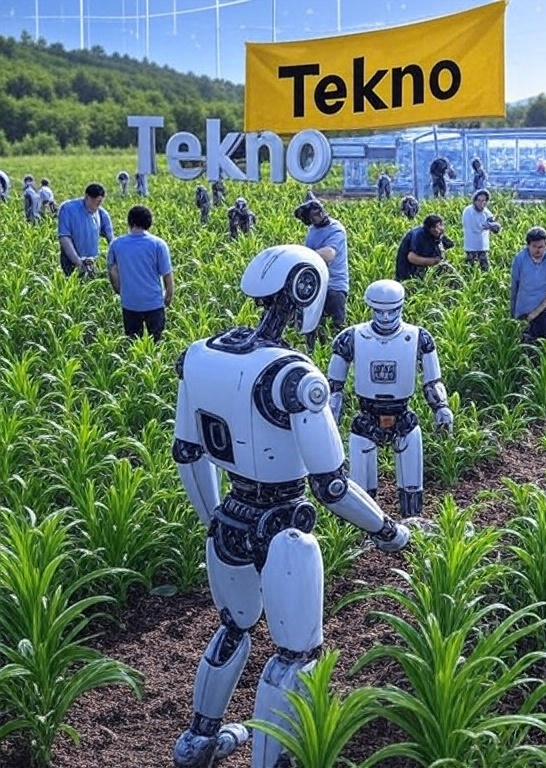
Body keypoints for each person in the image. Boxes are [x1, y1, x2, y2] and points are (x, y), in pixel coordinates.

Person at [171, 244, 412, 768]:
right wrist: (388, 530)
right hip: (285, 525)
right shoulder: (293, 377)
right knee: (296, 653)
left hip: (229, 516)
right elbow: (331, 485)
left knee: (233, 627)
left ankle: (197, 740)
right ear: (307, 292)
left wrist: (211, 517)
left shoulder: (200, 353)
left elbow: (187, 453)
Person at [327, 279, 454, 518]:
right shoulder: (352, 337)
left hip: (402, 414)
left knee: (411, 476)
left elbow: (432, 380)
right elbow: (334, 386)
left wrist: (441, 406)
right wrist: (330, 417)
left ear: (401, 307)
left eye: (392, 311)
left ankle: (412, 517)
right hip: (366, 416)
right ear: (371, 308)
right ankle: (364, 522)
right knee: (361, 482)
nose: (385, 317)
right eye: (379, 311)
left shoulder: (418, 337)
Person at [106, 205, 174, 342]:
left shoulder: (116, 244)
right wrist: (168, 296)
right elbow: (167, 274)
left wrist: (120, 290)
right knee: (157, 342)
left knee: (133, 342)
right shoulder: (158, 244)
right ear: (149, 222)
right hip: (154, 302)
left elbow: (112, 270)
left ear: (130, 222)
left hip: (129, 302)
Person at [294, 197, 349, 352]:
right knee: (312, 329)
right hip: (316, 287)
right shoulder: (313, 230)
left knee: (336, 330)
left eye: (318, 213)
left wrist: (303, 256)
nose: (317, 216)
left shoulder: (336, 230)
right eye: (312, 217)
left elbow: (329, 254)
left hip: (334, 287)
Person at [510, 226, 546, 343]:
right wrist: (513, 312)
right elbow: (514, 286)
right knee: (525, 344)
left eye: (541, 247)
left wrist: (535, 313)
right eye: (534, 247)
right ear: (528, 245)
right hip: (524, 307)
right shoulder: (520, 259)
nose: (537, 250)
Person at [57, 182, 114, 277]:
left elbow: (111, 239)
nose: (97, 205)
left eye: (100, 202)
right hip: (70, 261)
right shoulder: (68, 209)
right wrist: (77, 261)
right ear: (87, 197)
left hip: (92, 262)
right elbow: (64, 237)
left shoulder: (101, 213)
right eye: (95, 202)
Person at [394, 214, 454, 282]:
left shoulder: (437, 234)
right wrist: (434, 261)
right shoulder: (419, 236)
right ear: (428, 228)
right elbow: (412, 257)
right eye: (434, 227)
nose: (438, 229)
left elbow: (449, 245)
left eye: (440, 225)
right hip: (409, 272)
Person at [461, 189, 501, 271]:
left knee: (485, 268)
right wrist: (489, 226)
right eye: (479, 200)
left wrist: (493, 225)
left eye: (483, 201)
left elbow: (495, 226)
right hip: (471, 246)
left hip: (483, 246)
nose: (481, 203)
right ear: (475, 200)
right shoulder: (469, 211)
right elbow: (476, 227)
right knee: (470, 269)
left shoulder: (486, 212)